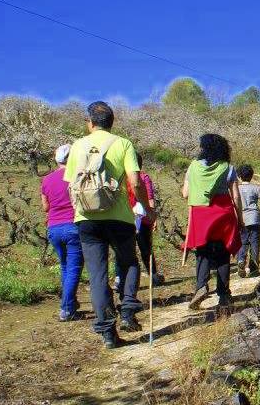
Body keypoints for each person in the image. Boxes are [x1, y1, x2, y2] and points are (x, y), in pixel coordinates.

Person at [64, 101, 153, 348]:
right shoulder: (123, 144)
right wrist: (148, 209)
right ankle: (127, 311)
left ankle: (107, 333)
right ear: (111, 122)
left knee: (97, 276)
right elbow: (135, 182)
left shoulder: (77, 146)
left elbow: (70, 184)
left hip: (86, 219)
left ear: (90, 122)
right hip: (120, 217)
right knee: (129, 263)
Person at [183, 134, 242, 311]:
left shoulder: (193, 167)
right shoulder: (228, 168)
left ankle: (201, 287)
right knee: (223, 252)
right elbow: (236, 196)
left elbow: (185, 194)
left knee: (202, 251)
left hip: (200, 214)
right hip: (223, 213)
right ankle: (223, 294)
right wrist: (240, 219)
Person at [41, 144, 82, 322]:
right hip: (73, 225)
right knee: (73, 268)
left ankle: (70, 304)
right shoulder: (76, 177)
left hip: (54, 227)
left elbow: (45, 207)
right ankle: (66, 308)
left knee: (65, 266)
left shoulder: (46, 180)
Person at [128, 152, 163, 287]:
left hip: (126, 215)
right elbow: (149, 198)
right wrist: (153, 215)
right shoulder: (143, 177)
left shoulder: (123, 177)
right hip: (142, 216)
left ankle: (123, 278)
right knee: (145, 247)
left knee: (126, 248)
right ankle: (153, 274)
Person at [236, 164, 260, 278]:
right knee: (255, 243)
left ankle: (241, 260)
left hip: (242, 220)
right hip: (254, 219)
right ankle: (254, 268)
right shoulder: (256, 188)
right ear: (251, 176)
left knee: (242, 242)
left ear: (239, 176)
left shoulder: (237, 189)